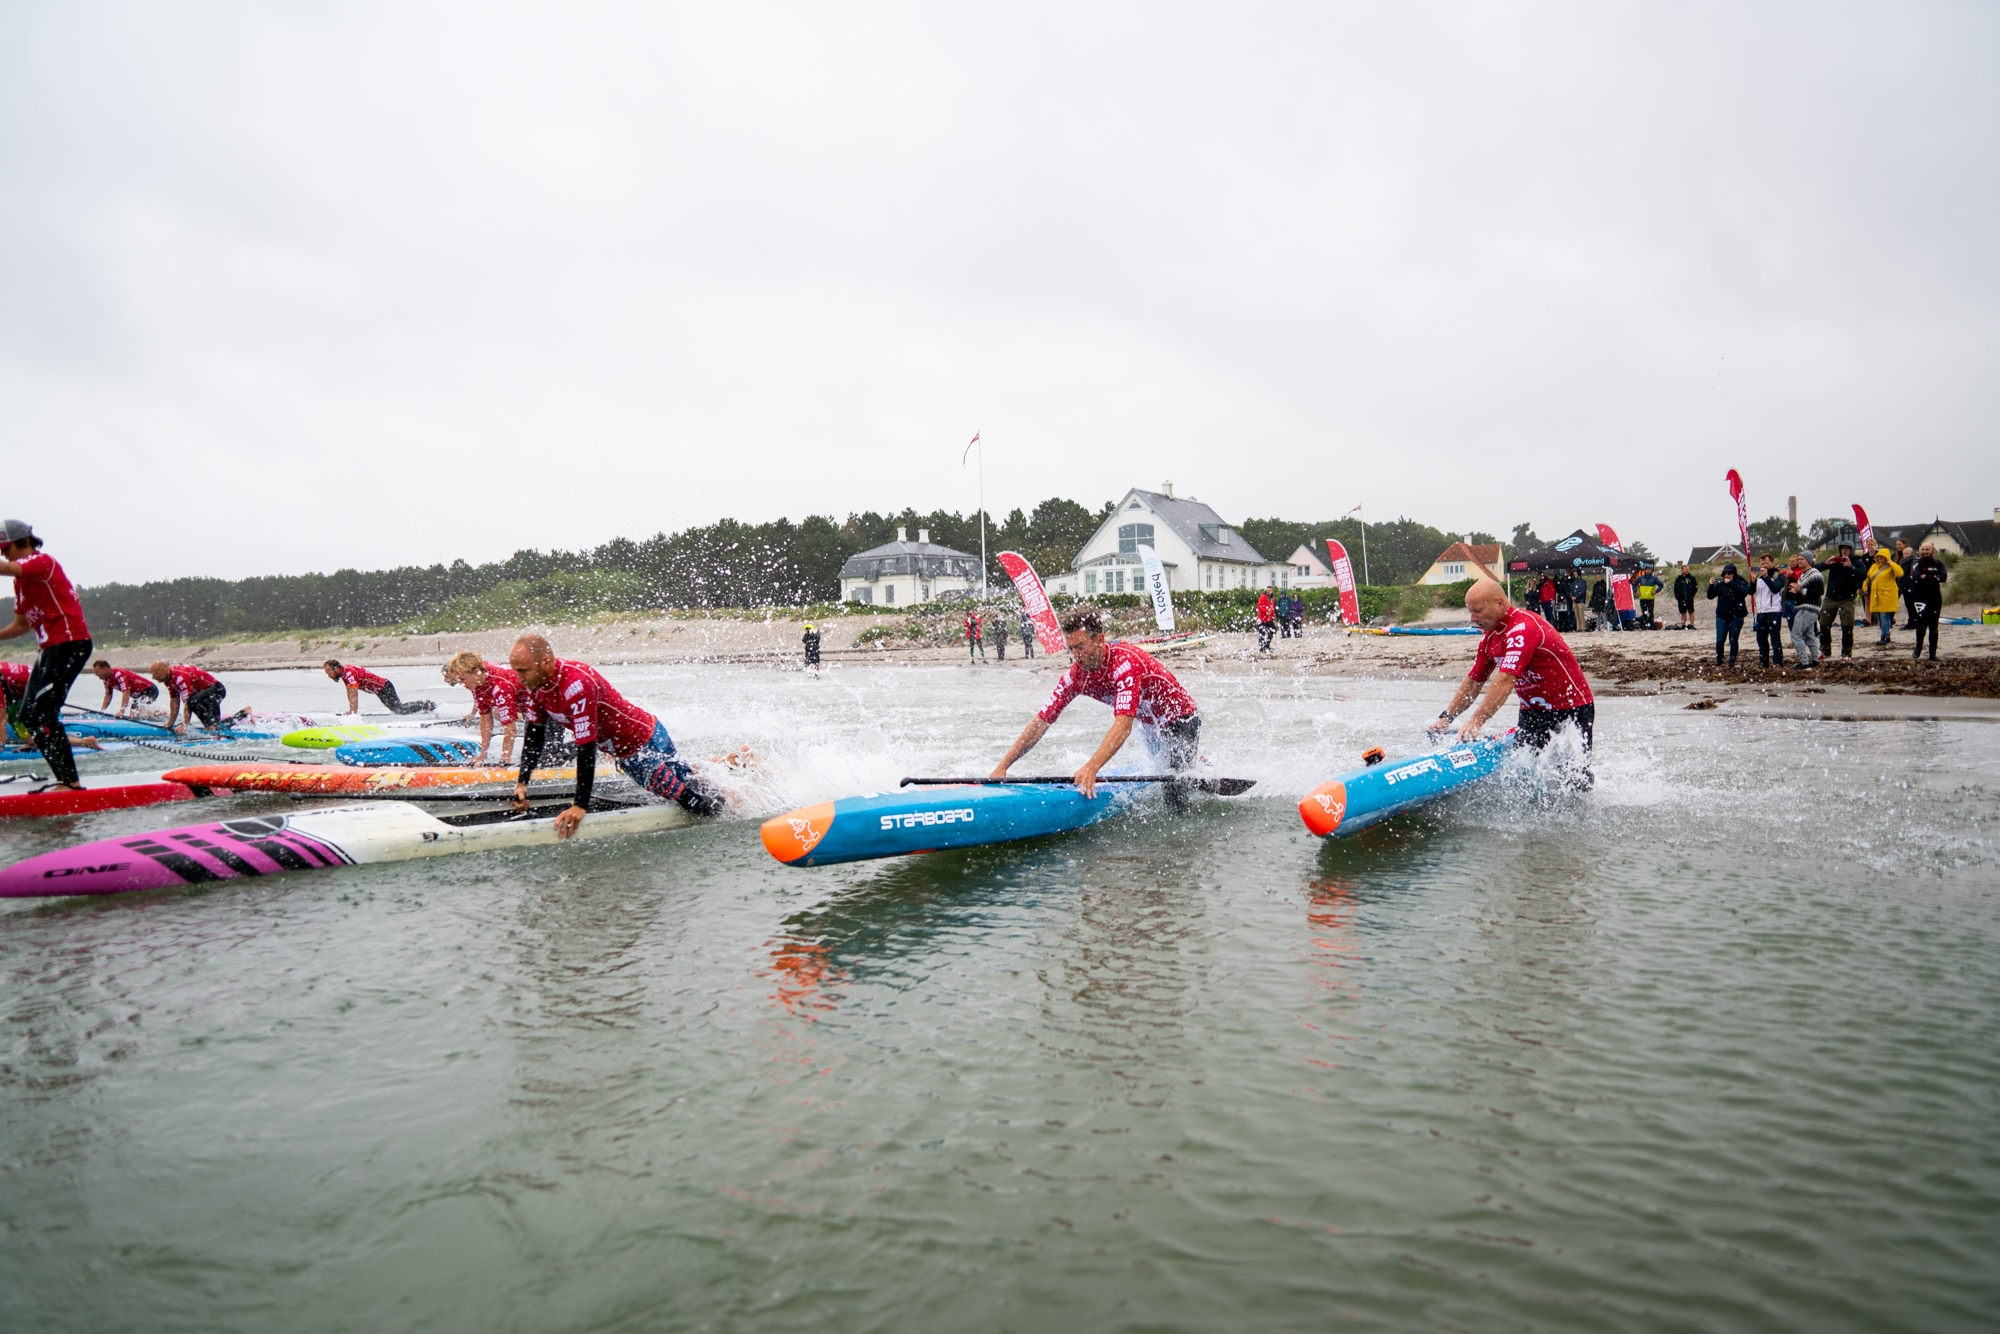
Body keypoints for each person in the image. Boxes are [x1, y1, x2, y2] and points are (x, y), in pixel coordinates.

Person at [509, 633, 726, 838]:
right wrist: (522, 783)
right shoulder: (535, 688)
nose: (519, 679)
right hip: (643, 740)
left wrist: (579, 805)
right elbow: (534, 737)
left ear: (545, 661)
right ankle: (735, 775)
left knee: (692, 801)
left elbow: (586, 748)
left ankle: (735, 816)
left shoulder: (576, 685)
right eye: (516, 671)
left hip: (640, 750)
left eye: (523, 671)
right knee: (692, 785)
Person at [990, 605, 1201, 797]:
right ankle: (1199, 772)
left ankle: (1200, 782)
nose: (1075, 655)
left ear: (1099, 640)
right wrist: (1003, 766)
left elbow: (1123, 726)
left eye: (1080, 647)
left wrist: (1092, 767)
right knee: (1166, 773)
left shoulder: (1125, 665)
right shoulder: (1075, 678)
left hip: (1181, 718)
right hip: (1151, 724)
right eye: (1071, 648)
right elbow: (1041, 722)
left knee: (1174, 790)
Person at [1428, 579, 1595, 783]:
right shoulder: (1490, 638)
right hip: (1532, 712)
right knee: (1527, 774)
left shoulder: (1523, 627)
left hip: (1571, 709)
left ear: (1499, 603)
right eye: (1470, 612)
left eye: (1478, 611)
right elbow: (1474, 682)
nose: (1473, 618)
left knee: (1573, 779)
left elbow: (1506, 680)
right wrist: (1447, 717)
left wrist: (1476, 722)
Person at [0, 519, 93, 792]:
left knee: (43, 714)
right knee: (29, 715)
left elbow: (7, 567)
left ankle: (70, 783)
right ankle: (65, 779)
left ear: (25, 543)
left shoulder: (42, 562)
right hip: (49, 650)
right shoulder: (20, 584)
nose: (4, 553)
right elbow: (20, 626)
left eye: (7, 547)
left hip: (70, 643)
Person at [442, 650, 550, 767]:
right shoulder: (477, 681)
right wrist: (483, 754)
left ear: (476, 672)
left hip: (551, 701)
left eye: (463, 679)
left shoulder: (500, 685)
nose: (462, 684)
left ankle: (570, 751)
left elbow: (510, 727)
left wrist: (504, 760)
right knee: (532, 753)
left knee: (549, 757)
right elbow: (485, 719)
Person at [151, 660, 249, 733]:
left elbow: (187, 703)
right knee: (217, 728)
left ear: (164, 670)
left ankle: (209, 727)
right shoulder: (168, 680)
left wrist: (184, 726)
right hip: (205, 696)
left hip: (216, 690)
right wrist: (170, 723)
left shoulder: (180, 676)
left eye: (154, 674)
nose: (153, 677)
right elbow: (174, 701)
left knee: (192, 702)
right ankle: (245, 712)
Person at [324, 659, 433, 714]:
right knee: (398, 709)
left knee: (399, 710)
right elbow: (349, 693)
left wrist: (353, 715)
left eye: (329, 673)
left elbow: (354, 695)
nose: (328, 676)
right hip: (381, 690)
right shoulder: (344, 673)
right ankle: (423, 703)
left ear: (336, 669)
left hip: (385, 687)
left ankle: (426, 705)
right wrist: (351, 711)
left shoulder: (348, 673)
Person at [1817, 542, 1867, 660]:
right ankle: (1825, 650)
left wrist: (1851, 567)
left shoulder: (1857, 562)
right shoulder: (1835, 561)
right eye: (1842, 548)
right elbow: (1814, 569)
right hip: (1831, 597)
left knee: (1847, 626)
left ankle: (1846, 653)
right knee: (1824, 624)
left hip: (1847, 599)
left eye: (1847, 549)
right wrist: (1825, 564)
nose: (1844, 551)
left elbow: (1863, 575)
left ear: (1852, 550)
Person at [1905, 543, 1949, 662]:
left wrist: (1928, 577)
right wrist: (1934, 577)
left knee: (1934, 626)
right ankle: (1918, 648)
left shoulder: (1939, 563)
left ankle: (1932, 654)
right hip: (1920, 597)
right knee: (1922, 623)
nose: (1925, 551)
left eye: (1927, 549)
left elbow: (1944, 577)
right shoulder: (1916, 563)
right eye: (1923, 549)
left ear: (1933, 550)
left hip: (1935, 597)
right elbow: (1916, 577)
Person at [1706, 563, 1752, 666]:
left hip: (1737, 615)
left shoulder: (1739, 582)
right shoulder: (1720, 585)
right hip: (1722, 616)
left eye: (1729, 573)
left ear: (1734, 574)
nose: (1727, 575)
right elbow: (1710, 596)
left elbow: (1744, 592)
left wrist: (1731, 583)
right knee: (1720, 639)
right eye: (1725, 573)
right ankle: (1719, 659)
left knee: (1733, 640)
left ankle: (1732, 660)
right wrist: (1711, 585)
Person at [1786, 555, 1824, 668]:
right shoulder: (1803, 574)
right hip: (1806, 608)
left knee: (1796, 635)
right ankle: (1815, 661)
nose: (1799, 561)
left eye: (1801, 559)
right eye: (1798, 559)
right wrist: (1796, 593)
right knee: (1809, 635)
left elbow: (1819, 591)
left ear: (1808, 561)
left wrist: (1800, 590)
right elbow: (1804, 592)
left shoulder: (1814, 573)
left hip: (1808, 609)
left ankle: (1805, 662)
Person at [1862, 548, 1903, 646]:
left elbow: (1900, 573)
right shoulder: (1874, 566)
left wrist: (1891, 563)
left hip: (1887, 596)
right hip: (1875, 595)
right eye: (1879, 556)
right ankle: (1887, 634)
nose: (1880, 558)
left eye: (1883, 556)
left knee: (1885, 616)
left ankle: (1884, 636)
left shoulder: (1891, 567)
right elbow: (1868, 578)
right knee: (1878, 616)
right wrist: (1864, 587)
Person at [1751, 556, 1787, 668]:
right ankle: (1764, 662)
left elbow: (1775, 589)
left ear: (1772, 562)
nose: (1764, 566)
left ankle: (1777, 661)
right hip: (1761, 612)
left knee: (1775, 638)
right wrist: (1753, 580)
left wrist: (1766, 576)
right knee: (1761, 638)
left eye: (1766, 563)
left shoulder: (1778, 576)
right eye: (1762, 564)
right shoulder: (1759, 579)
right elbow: (1750, 591)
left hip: (1774, 611)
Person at [93, 660, 160, 714]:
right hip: (137, 695)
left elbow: (126, 692)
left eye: (97, 672)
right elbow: (108, 695)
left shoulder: (118, 674)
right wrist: (101, 711)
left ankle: (162, 714)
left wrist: (121, 711)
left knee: (139, 713)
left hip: (149, 689)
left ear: (106, 669)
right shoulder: (106, 680)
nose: (96, 675)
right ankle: (156, 713)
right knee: (132, 715)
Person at [1673, 564, 1699, 630]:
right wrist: (1677, 596)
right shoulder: (1678, 579)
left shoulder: (1691, 578)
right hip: (1681, 598)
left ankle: (1691, 624)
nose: (1687, 570)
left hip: (1689, 598)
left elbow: (1695, 587)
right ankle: (1683, 625)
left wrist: (1692, 595)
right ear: (1682, 570)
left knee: (1691, 611)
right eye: (1685, 569)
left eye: (1688, 569)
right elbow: (1675, 588)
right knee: (1683, 612)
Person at [1256, 586, 1277, 651]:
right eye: (1268, 590)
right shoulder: (1262, 597)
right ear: (1266, 590)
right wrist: (1266, 610)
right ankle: (1262, 648)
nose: (1269, 591)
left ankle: (1267, 645)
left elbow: (1272, 609)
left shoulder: (1272, 598)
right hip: (1262, 619)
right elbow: (1259, 608)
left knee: (1273, 631)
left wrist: (1273, 618)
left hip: (1269, 619)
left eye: (1270, 590)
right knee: (1262, 634)